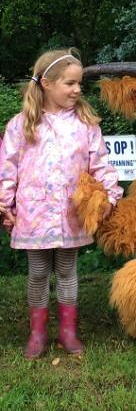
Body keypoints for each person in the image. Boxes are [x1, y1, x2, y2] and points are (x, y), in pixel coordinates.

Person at [0, 49, 123, 359]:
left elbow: (101, 163)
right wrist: (5, 204)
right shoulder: (22, 124)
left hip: (71, 214)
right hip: (34, 212)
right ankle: (37, 333)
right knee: (38, 272)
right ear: (46, 83)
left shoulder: (85, 124)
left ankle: (68, 332)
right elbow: (7, 166)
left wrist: (109, 194)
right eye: (70, 83)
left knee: (68, 271)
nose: (77, 90)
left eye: (79, 84)